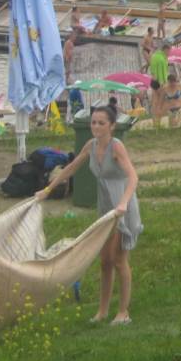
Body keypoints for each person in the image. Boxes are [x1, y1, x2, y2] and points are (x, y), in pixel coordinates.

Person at [36, 105, 142, 324]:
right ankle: (102, 311)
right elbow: (71, 168)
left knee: (119, 260)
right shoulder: (91, 145)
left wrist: (123, 203)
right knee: (105, 261)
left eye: (101, 123)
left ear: (111, 126)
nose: (96, 126)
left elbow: (133, 177)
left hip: (124, 206)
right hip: (106, 207)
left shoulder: (116, 146)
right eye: (93, 122)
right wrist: (47, 190)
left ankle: (123, 313)